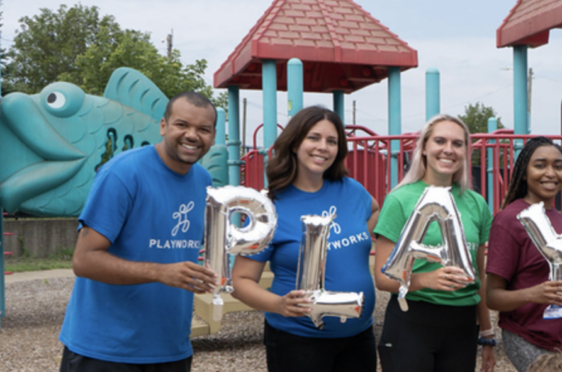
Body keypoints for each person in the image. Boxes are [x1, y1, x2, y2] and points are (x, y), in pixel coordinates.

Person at [59, 92, 219, 371]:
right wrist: (161, 272)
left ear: (213, 136)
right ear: (163, 126)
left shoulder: (204, 182)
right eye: (182, 125)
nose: (192, 135)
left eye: (203, 129)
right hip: (105, 350)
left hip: (171, 349)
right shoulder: (122, 173)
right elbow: (84, 261)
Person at [230, 106, 379, 372]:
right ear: (295, 143)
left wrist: (353, 236)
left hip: (359, 339)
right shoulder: (268, 207)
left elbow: (375, 210)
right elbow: (240, 281)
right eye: (314, 137)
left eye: (331, 141)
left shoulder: (353, 190)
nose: (323, 147)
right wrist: (279, 305)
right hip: (298, 342)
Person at [372, 114, 496, 372]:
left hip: (462, 325)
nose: (448, 150)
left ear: (465, 151)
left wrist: (486, 333)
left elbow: (480, 276)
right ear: (424, 148)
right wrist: (426, 280)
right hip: (413, 320)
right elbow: (383, 278)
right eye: (440, 141)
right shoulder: (400, 200)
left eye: (457, 143)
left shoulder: (476, 203)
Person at [485, 137, 562, 372]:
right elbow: (492, 296)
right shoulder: (509, 221)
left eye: (558, 166)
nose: (550, 173)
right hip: (528, 338)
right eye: (540, 165)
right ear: (524, 173)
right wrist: (534, 293)